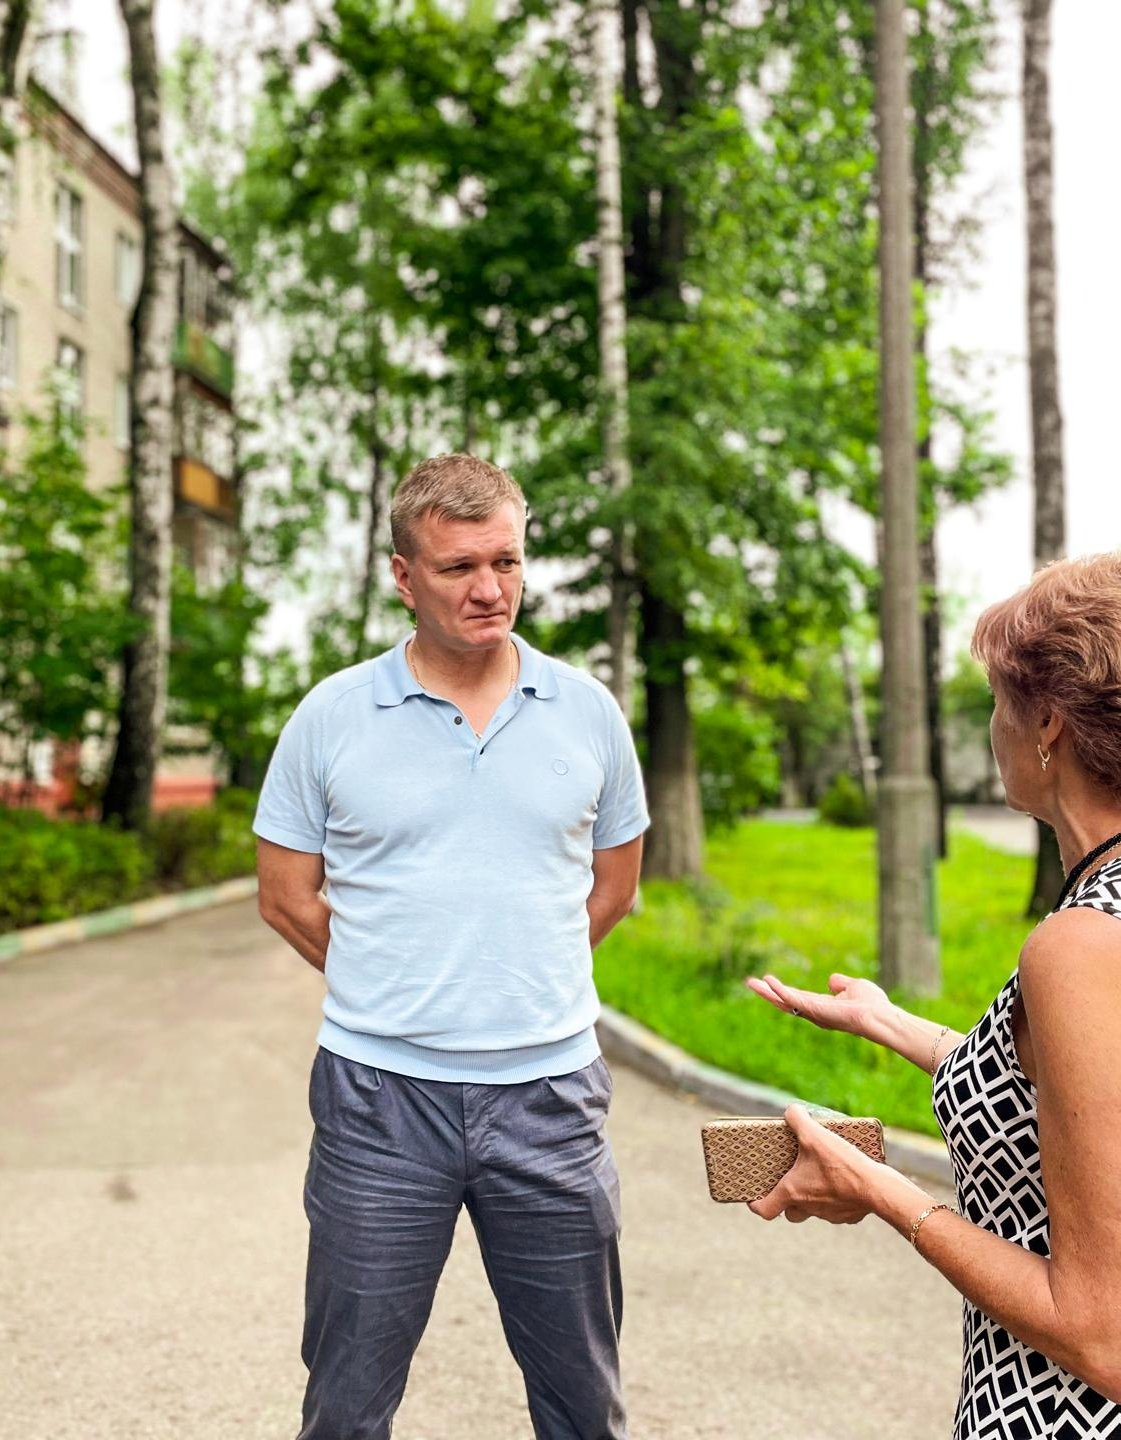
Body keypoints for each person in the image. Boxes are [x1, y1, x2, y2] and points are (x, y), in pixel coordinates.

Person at [743, 553, 1121, 1438]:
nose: (995, 723)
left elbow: (1112, 1342)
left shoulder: (1089, 945)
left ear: (1048, 723)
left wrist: (877, 1187)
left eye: (1000, 700)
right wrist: (891, 1023)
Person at [255, 454, 649, 1440]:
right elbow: (286, 896)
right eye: (459, 567)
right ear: (402, 575)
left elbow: (615, 887)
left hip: (552, 1100)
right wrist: (400, 980)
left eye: (507, 563)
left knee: (584, 1408)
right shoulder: (332, 716)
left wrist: (518, 971)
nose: (489, 589)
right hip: (379, 1104)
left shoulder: (589, 713)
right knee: (345, 1407)